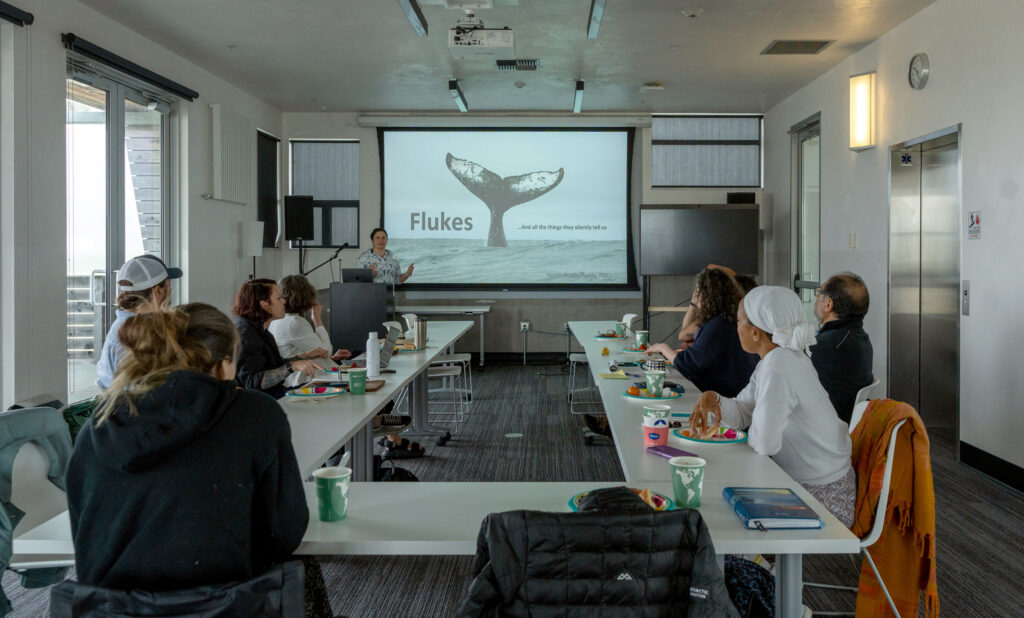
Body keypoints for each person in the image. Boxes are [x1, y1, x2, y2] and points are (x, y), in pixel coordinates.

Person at [65, 303, 332, 616]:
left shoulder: (99, 422)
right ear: (222, 364)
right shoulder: (255, 415)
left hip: (114, 610)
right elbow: (286, 533)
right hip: (229, 605)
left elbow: (86, 535)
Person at [688, 286, 855, 527]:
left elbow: (764, 443)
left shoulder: (779, 366)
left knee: (717, 509)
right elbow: (743, 413)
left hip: (823, 496)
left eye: (738, 322)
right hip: (818, 481)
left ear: (755, 333)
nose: (736, 327)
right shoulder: (780, 358)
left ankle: (764, 564)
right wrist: (714, 398)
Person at [268, 274, 418, 456]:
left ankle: (386, 434)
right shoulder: (295, 323)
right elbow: (325, 348)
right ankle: (377, 427)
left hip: (316, 372)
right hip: (310, 379)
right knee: (373, 391)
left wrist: (329, 356)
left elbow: (316, 352)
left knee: (372, 383)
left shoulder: (283, 322)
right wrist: (317, 318)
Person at [648, 268, 759, 397]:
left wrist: (662, 347)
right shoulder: (725, 321)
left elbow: (689, 366)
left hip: (722, 397)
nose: (695, 297)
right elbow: (704, 357)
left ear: (706, 295)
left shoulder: (717, 326)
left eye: (697, 292)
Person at [95, 254, 182, 389]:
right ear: (158, 291)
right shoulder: (136, 336)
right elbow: (138, 393)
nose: (170, 291)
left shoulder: (124, 327)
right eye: (168, 286)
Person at [232, 279, 320, 399]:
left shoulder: (262, 331)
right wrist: (292, 366)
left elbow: (275, 365)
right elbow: (252, 382)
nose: (284, 301)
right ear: (265, 305)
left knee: (325, 386)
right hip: (264, 403)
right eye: (279, 298)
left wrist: (303, 357)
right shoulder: (245, 335)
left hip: (276, 394)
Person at [810, 272, 875, 424]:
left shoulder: (827, 345)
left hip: (825, 428)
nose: (816, 298)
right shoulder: (860, 338)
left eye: (819, 293)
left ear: (828, 304)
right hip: (846, 424)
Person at [269, 274, 351, 364]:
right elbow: (326, 351)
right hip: (308, 375)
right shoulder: (295, 323)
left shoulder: (276, 320)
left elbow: (303, 353)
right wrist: (317, 318)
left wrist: (331, 358)